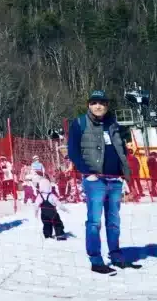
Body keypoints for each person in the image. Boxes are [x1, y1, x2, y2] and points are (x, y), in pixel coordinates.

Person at [67, 90, 137, 274]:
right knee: (94, 222)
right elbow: (73, 151)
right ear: (89, 105)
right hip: (95, 179)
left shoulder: (113, 123)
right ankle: (96, 260)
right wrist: (86, 172)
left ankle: (116, 256)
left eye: (102, 103)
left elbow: (121, 149)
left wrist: (125, 174)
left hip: (115, 179)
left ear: (107, 105)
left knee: (114, 221)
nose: (98, 106)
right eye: (94, 103)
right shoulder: (80, 123)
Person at [33, 161, 66, 240]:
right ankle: (60, 234)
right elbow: (58, 203)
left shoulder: (40, 196)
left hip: (44, 214)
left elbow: (36, 205)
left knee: (46, 224)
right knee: (57, 223)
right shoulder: (51, 195)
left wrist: (36, 213)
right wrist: (64, 209)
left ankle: (47, 235)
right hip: (53, 213)